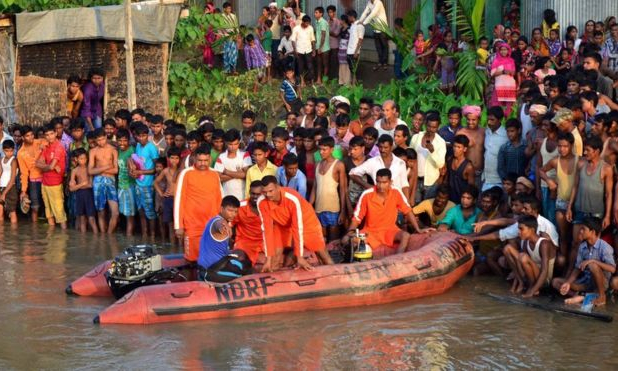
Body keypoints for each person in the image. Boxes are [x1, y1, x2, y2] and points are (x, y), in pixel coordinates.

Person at [258, 176, 333, 272]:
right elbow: (267, 231)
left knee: (322, 254)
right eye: (264, 192)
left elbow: (297, 228)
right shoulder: (261, 201)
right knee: (273, 259)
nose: (268, 195)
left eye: (271, 191)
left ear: (278, 187)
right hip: (282, 224)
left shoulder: (292, 198)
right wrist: (267, 260)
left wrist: (300, 257)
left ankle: (336, 276)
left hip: (306, 222)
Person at [344, 168, 425, 255]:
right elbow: (356, 218)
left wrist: (418, 229)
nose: (381, 186)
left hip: (390, 230)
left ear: (390, 182)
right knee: (347, 240)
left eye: (384, 182)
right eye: (378, 182)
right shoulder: (367, 194)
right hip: (370, 232)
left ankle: (397, 259)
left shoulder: (396, 192)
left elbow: (408, 211)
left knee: (405, 236)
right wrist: (350, 233)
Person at [567, 136, 614, 271]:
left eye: (588, 150)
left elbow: (609, 194)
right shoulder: (581, 164)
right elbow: (575, 186)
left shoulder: (606, 168)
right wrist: (570, 207)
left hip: (596, 214)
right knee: (576, 243)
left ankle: (590, 276)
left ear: (597, 151)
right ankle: (571, 273)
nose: (585, 153)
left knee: (593, 245)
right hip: (580, 211)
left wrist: (607, 216)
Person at [175, 143, 223, 262]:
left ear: (210, 159)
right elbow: (179, 200)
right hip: (192, 225)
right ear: (195, 158)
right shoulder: (186, 174)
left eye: (206, 160)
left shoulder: (214, 174)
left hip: (212, 224)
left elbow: (220, 198)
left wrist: (224, 222)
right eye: (200, 160)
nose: (203, 163)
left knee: (213, 258)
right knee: (191, 259)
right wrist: (178, 226)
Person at [552, 217, 615, 307]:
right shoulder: (582, 246)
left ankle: (602, 296)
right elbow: (577, 269)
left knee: (593, 265)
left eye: (583, 229)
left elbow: (612, 269)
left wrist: (593, 260)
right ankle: (580, 296)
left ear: (592, 232)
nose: (580, 231)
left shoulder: (605, 247)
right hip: (585, 283)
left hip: (601, 284)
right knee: (556, 282)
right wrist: (568, 283)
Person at [198, 196, 252, 282]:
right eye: (230, 210)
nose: (233, 214)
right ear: (222, 208)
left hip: (212, 266)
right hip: (211, 270)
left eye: (236, 211)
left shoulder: (215, 220)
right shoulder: (218, 223)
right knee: (247, 270)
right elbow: (218, 226)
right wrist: (226, 227)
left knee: (243, 259)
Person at [310, 136, 348, 241]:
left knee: (333, 242)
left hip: (333, 209)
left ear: (331, 149)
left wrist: (343, 211)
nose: (321, 152)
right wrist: (309, 206)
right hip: (318, 208)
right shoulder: (317, 164)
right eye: (320, 149)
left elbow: (343, 189)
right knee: (322, 241)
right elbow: (314, 187)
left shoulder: (339, 165)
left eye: (324, 149)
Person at [513, 215, 556, 297]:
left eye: (521, 229)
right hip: (532, 277)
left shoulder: (544, 243)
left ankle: (533, 289)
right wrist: (515, 285)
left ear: (532, 230)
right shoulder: (526, 242)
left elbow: (544, 270)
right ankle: (530, 286)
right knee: (521, 256)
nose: (518, 232)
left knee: (523, 257)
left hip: (544, 281)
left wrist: (532, 291)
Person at [130, 123, 159, 238]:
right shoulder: (137, 146)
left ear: (148, 135)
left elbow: (156, 169)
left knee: (150, 212)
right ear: (136, 136)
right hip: (138, 184)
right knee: (141, 210)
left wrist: (140, 172)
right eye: (139, 136)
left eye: (144, 136)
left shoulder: (151, 148)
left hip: (148, 185)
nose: (142, 138)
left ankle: (152, 236)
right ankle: (144, 234)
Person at [409, 113, 447, 201]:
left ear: (438, 127)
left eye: (434, 127)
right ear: (425, 124)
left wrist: (432, 151)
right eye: (429, 126)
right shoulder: (416, 137)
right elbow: (410, 155)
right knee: (415, 207)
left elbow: (441, 164)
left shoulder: (440, 142)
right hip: (415, 179)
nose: (431, 129)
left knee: (428, 210)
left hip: (431, 182)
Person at [36, 124, 67, 229]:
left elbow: (47, 166)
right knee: (48, 212)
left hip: (55, 184)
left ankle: (64, 236)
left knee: (60, 213)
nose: (49, 137)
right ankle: (52, 238)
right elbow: (37, 164)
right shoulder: (46, 147)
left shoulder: (59, 147)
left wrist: (49, 167)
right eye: (47, 135)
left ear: (55, 133)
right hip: (45, 183)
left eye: (51, 134)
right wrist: (50, 167)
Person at [88, 128, 119, 234]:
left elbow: (115, 170)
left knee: (115, 212)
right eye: (98, 140)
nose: (101, 142)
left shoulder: (113, 150)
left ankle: (109, 234)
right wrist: (105, 167)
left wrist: (99, 170)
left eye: (102, 139)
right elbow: (90, 171)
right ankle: (103, 236)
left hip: (110, 181)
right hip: (98, 181)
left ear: (106, 137)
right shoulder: (93, 151)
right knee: (100, 211)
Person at [16, 125, 45, 223]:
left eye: (32, 134)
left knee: (48, 207)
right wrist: (23, 191)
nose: (31, 137)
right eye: (27, 136)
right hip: (34, 181)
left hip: (47, 177)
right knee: (35, 208)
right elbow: (24, 173)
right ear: (23, 137)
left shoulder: (40, 142)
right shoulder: (20, 153)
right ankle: (35, 233)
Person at [233, 181, 265, 265]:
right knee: (238, 260)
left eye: (258, 194)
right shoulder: (240, 206)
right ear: (249, 193)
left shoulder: (269, 206)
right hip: (244, 241)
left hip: (263, 241)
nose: (255, 196)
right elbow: (228, 223)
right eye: (253, 193)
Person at [215, 128, 252, 201]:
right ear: (226, 143)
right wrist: (238, 174)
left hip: (243, 195)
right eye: (230, 144)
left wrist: (226, 171)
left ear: (239, 142)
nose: (233, 147)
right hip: (226, 196)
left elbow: (246, 175)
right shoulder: (221, 157)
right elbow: (219, 178)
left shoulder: (244, 155)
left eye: (236, 144)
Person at [154, 147, 181, 245]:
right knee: (170, 225)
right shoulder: (165, 171)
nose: (174, 160)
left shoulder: (182, 171)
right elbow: (155, 182)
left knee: (179, 225)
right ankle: (173, 248)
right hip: (168, 200)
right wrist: (162, 193)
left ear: (180, 159)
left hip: (179, 201)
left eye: (176, 158)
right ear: (168, 159)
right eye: (172, 158)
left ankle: (180, 249)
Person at [68, 148, 98, 233]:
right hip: (79, 195)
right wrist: (82, 184)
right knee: (82, 218)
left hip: (88, 194)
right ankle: (83, 240)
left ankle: (97, 236)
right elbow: (71, 188)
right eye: (81, 159)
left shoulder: (89, 168)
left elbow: (90, 185)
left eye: (85, 158)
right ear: (76, 159)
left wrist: (77, 186)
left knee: (91, 218)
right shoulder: (74, 171)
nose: (84, 160)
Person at [116, 129, 137, 236]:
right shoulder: (118, 151)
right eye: (120, 140)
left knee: (130, 215)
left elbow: (133, 167)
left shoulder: (131, 151)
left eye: (124, 141)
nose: (122, 143)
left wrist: (131, 166)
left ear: (128, 140)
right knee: (124, 213)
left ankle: (129, 239)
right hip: (121, 186)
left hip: (130, 186)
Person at [459, 105, 485, 186]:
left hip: (481, 173)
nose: (470, 122)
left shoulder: (484, 132)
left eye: (473, 120)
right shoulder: (461, 133)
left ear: (479, 119)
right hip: (466, 173)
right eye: (468, 119)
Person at [358, 0, 388, 71]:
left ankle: (385, 63)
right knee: (378, 46)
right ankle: (380, 62)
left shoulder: (378, 2)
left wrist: (364, 23)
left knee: (384, 46)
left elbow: (372, 14)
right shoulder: (369, 3)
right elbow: (365, 13)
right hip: (375, 28)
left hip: (382, 28)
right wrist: (359, 21)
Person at [483, 106, 508, 191]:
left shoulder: (506, 135)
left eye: (492, 120)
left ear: (500, 119)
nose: (489, 122)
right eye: (488, 119)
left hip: (499, 180)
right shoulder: (487, 132)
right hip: (485, 178)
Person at [446, 135, 475, 203]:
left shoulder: (468, 167)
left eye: (459, 147)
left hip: (461, 201)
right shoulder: (449, 159)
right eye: (454, 146)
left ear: (465, 149)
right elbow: (446, 179)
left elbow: (471, 189)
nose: (455, 149)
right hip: (449, 199)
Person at [490, 43, 517, 116]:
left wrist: (510, 72)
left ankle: (507, 120)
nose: (503, 51)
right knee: (496, 104)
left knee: (509, 106)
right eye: (501, 50)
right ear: (499, 51)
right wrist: (502, 71)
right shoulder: (496, 61)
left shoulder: (511, 60)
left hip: (510, 85)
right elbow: (492, 74)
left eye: (505, 50)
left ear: (508, 51)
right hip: (499, 85)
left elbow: (514, 73)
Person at [291, 15, 316, 87]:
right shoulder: (296, 28)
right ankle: (302, 82)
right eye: (306, 23)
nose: (307, 25)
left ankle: (312, 82)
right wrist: (295, 50)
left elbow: (313, 40)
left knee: (310, 67)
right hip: (299, 50)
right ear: (302, 22)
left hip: (308, 50)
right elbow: (293, 40)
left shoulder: (310, 28)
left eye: (308, 23)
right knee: (300, 67)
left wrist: (314, 50)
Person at [0, 140, 18, 224]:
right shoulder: (2, 159)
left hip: (11, 188)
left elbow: (12, 179)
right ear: (3, 150)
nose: (9, 153)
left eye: (11, 151)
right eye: (7, 151)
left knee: (12, 211)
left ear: (14, 150)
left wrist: (4, 193)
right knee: (0, 212)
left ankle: (13, 234)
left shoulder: (13, 161)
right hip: (1, 186)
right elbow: (0, 172)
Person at [346, 10, 364, 84]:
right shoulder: (352, 25)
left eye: (348, 17)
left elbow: (360, 40)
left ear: (351, 17)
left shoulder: (359, 26)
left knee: (354, 68)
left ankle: (354, 83)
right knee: (351, 68)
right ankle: (353, 83)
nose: (347, 18)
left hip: (354, 51)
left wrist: (356, 51)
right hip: (349, 50)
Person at [221, 2, 239, 74]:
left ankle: (234, 69)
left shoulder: (233, 16)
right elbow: (220, 28)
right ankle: (227, 70)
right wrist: (224, 35)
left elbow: (236, 27)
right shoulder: (221, 17)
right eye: (228, 8)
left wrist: (236, 35)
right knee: (226, 54)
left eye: (230, 8)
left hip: (233, 37)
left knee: (234, 54)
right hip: (225, 38)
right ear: (224, 9)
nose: (229, 10)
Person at [314, 7, 329, 84]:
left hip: (324, 47)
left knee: (325, 63)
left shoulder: (323, 22)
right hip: (318, 46)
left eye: (316, 12)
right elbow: (317, 35)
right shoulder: (316, 22)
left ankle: (324, 80)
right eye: (315, 12)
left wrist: (320, 47)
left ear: (321, 13)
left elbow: (323, 35)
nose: (315, 14)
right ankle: (318, 79)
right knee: (318, 63)